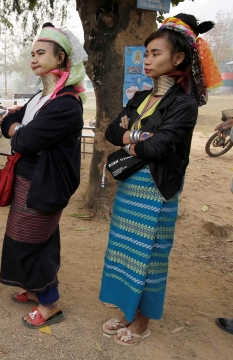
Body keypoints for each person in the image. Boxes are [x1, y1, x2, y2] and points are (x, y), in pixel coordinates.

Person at [99, 14, 221, 346]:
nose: (147, 60)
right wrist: (138, 137)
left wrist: (132, 135)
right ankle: (127, 311)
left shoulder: (184, 104)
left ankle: (142, 322)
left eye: (155, 53)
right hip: (129, 190)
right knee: (125, 251)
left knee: (149, 256)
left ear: (178, 58)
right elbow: (113, 132)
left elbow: (160, 146)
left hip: (157, 192)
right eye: (146, 53)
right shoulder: (140, 98)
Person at [0, 23, 86, 330]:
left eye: (41, 53)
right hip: (29, 181)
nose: (33, 59)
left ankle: (49, 303)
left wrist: (18, 130)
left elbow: (23, 140)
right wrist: (18, 128)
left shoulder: (65, 105)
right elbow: (9, 122)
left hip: (45, 185)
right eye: (32, 53)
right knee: (34, 238)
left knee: (30, 241)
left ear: (61, 58)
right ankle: (36, 288)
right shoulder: (40, 97)